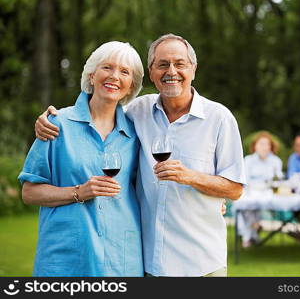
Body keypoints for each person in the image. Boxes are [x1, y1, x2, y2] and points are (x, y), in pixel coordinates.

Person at [34, 33, 246, 277]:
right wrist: (49, 118)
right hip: (149, 264)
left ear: (193, 69)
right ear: (152, 71)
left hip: (201, 263)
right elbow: (101, 108)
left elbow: (235, 189)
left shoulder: (219, 119)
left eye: (180, 64)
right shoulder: (136, 112)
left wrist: (191, 177)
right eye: (163, 64)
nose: (171, 71)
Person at [18, 41, 145, 276]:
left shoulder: (138, 134)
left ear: (131, 87)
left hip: (121, 262)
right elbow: (29, 192)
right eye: (107, 67)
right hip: (66, 259)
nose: (115, 76)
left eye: (125, 72)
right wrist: (78, 192)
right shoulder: (56, 124)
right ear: (91, 75)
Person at [238, 131, 284, 248]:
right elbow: (245, 181)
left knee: (260, 204)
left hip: (269, 193)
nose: (264, 147)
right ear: (255, 146)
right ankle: (252, 230)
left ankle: (249, 235)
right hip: (251, 191)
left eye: (267, 144)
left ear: (271, 147)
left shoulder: (276, 161)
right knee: (245, 206)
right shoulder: (248, 160)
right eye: (261, 144)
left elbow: (278, 180)